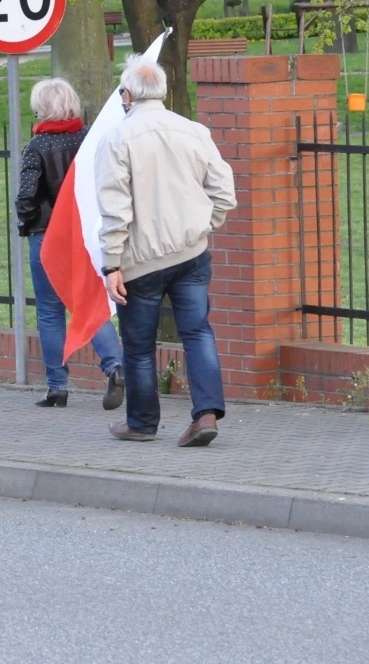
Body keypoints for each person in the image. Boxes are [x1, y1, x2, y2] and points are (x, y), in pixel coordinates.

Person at [97, 54, 236, 446]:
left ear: (127, 95)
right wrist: (202, 226)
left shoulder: (116, 139)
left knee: (139, 345)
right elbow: (224, 193)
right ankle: (206, 413)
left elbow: (114, 208)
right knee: (198, 332)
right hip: (192, 254)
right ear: (161, 91)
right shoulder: (194, 131)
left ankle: (141, 423)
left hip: (140, 261)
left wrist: (111, 264)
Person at [14, 77, 124, 410]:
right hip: (85, 233)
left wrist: (29, 225)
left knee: (49, 312)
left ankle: (57, 387)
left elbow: (26, 197)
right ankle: (115, 366)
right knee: (87, 302)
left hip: (47, 237)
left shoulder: (37, 147)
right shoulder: (89, 138)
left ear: (41, 109)